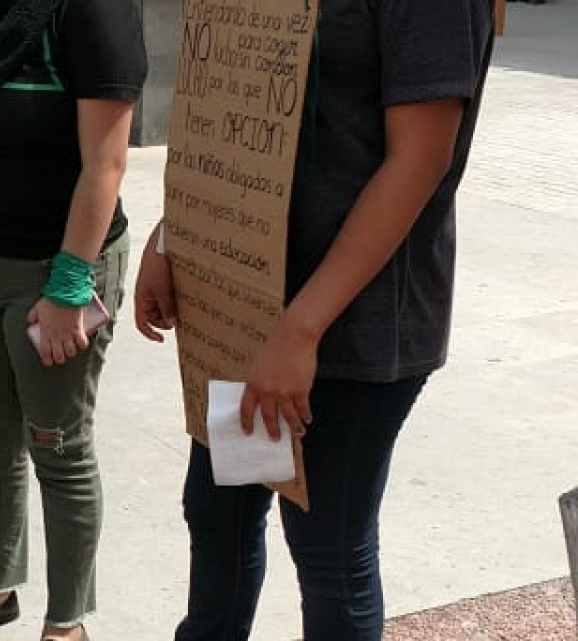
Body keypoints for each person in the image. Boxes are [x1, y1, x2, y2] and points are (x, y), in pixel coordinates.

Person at [133, 2, 495, 640]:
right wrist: (175, 233)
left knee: (327, 550)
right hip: (244, 302)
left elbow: (421, 158)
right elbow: (232, 108)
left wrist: (300, 330)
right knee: (219, 516)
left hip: (353, 328)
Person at [0, 1, 146, 639]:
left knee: (57, 447)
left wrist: (70, 284)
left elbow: (106, 161)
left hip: (57, 274)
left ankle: (66, 624)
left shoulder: (92, 9)